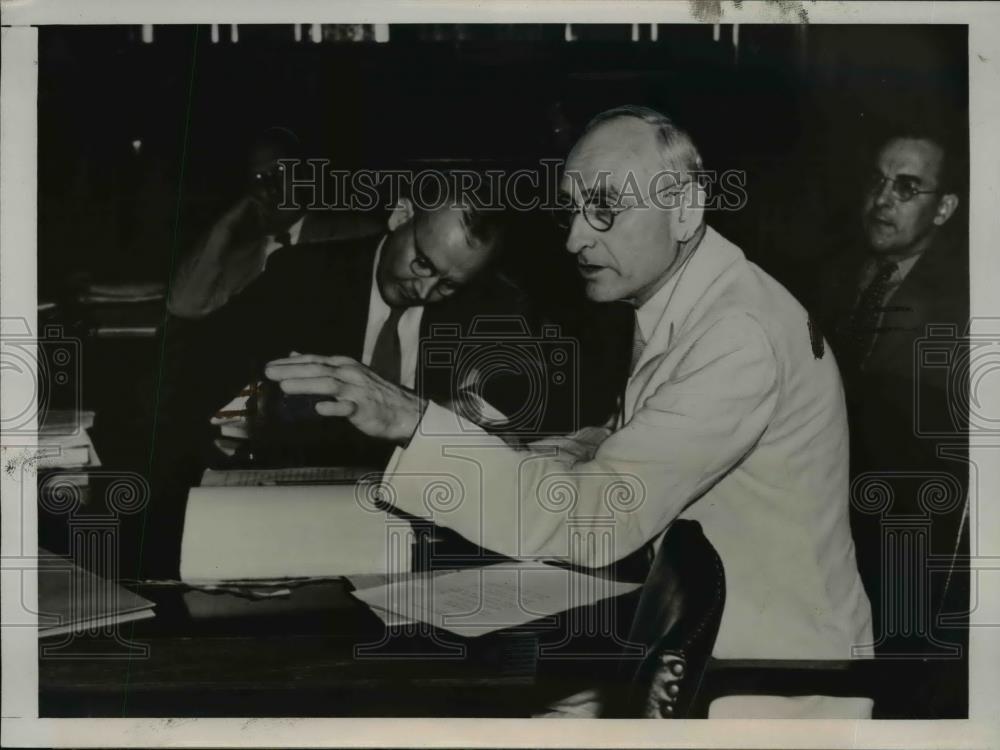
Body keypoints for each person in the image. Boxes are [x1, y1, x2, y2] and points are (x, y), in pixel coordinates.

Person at [264, 105, 874, 718]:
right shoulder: (701, 296)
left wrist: (414, 420)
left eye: (606, 208)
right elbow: (632, 441)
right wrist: (550, 449)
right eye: (572, 208)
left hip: (755, 682)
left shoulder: (736, 336)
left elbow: (596, 518)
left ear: (685, 209)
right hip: (682, 641)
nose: (577, 237)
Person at [816, 129, 969, 716]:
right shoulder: (831, 279)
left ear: (945, 208)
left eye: (906, 188)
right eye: (878, 181)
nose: (882, 199)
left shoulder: (967, 299)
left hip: (911, 540)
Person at [167, 126, 382, 319]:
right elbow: (183, 305)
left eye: (280, 171)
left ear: (304, 174)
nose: (272, 188)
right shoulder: (238, 261)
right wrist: (223, 228)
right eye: (260, 179)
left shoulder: (355, 234)